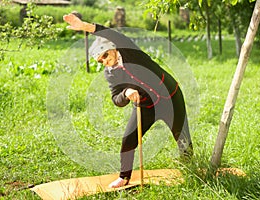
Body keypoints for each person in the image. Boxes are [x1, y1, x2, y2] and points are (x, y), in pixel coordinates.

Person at [63, 13, 193, 188]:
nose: (106, 62)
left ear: (114, 48)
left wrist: (85, 26)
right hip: (145, 106)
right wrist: (126, 92)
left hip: (171, 97)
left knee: (182, 137)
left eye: (106, 55)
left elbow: (112, 34)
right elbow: (116, 98)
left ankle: (191, 171)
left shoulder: (130, 52)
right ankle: (124, 177)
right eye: (101, 61)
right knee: (128, 139)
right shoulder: (110, 74)